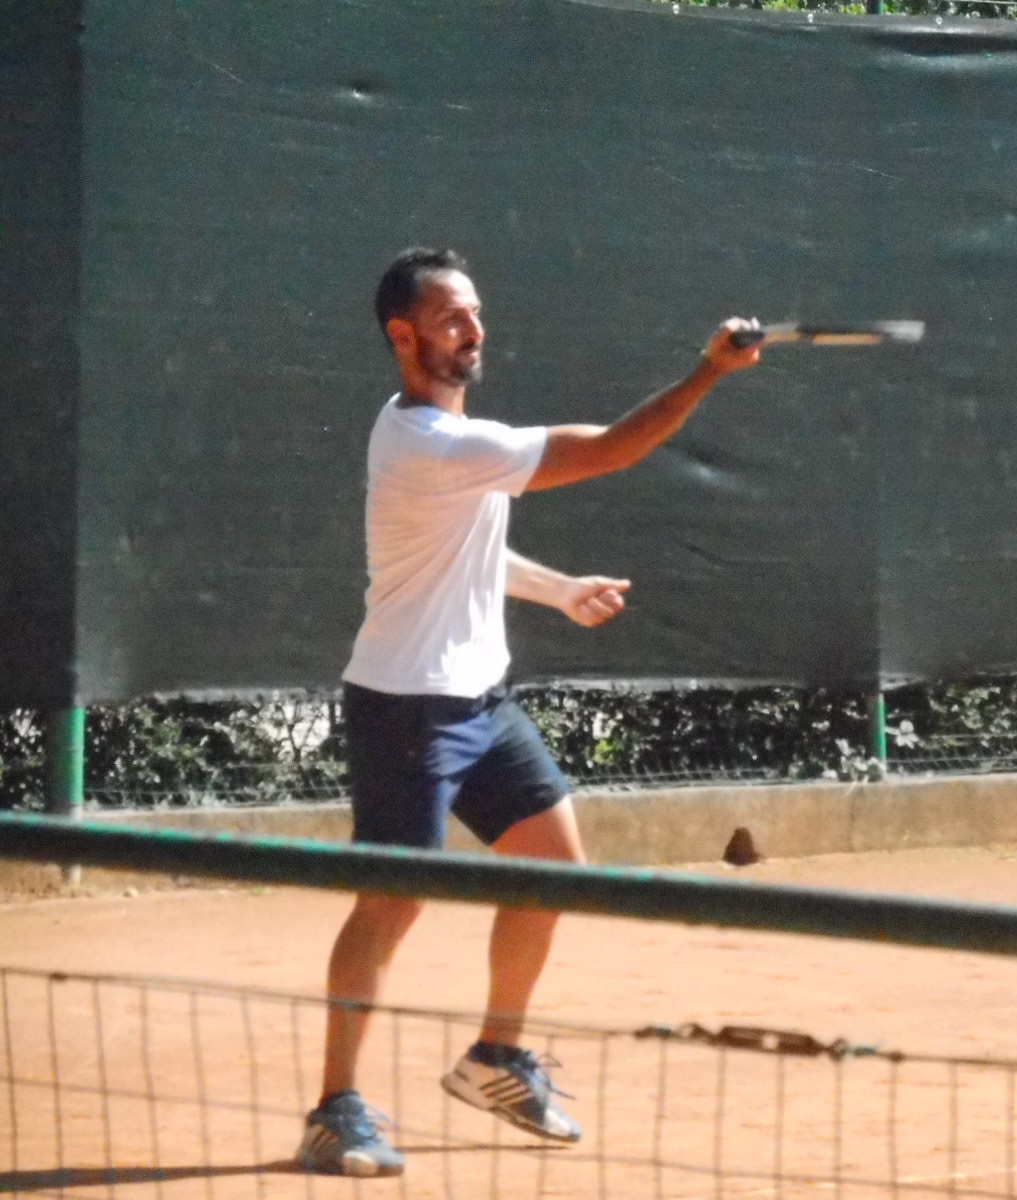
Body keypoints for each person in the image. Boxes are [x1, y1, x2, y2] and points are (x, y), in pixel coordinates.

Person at [296, 247, 761, 1177]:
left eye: (474, 312)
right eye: (450, 318)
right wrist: (707, 371)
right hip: (407, 709)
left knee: (552, 865)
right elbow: (612, 449)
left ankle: (495, 1059)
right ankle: (334, 1110)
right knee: (391, 903)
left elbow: (467, 554)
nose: (473, 330)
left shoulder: (446, 442)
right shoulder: (431, 444)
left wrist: (559, 590)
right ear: (403, 336)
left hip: (481, 701)